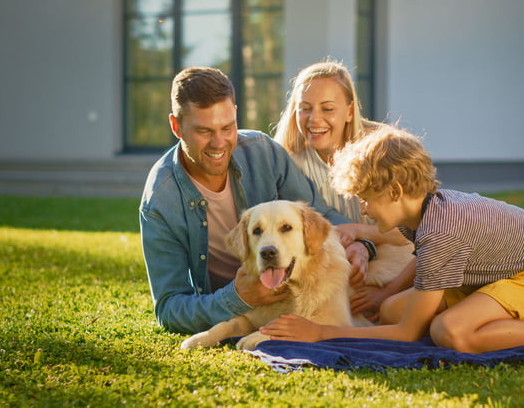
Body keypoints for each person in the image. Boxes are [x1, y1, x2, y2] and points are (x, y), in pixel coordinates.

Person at [261, 125, 524, 353]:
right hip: (500, 277)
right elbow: (424, 261)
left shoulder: (441, 230)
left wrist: (320, 333)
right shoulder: (426, 212)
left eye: (367, 199)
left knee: (450, 333)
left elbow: (409, 334)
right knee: (391, 309)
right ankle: (499, 320)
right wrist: (386, 292)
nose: (364, 210)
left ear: (395, 191)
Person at [139, 66, 370, 335]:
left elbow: (320, 214)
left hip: (293, 290)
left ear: (236, 114)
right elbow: (169, 308)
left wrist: (363, 244)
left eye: (227, 127)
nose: (219, 143)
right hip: (233, 306)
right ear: (176, 126)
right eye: (204, 131)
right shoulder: (160, 200)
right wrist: (239, 297)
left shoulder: (262, 151)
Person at [272, 60, 415, 320]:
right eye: (304, 109)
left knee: (392, 308)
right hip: (330, 264)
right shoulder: (288, 163)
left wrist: (362, 239)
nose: (314, 119)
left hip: (392, 255)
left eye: (327, 108)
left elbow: (411, 230)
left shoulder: (382, 149)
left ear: (349, 111)